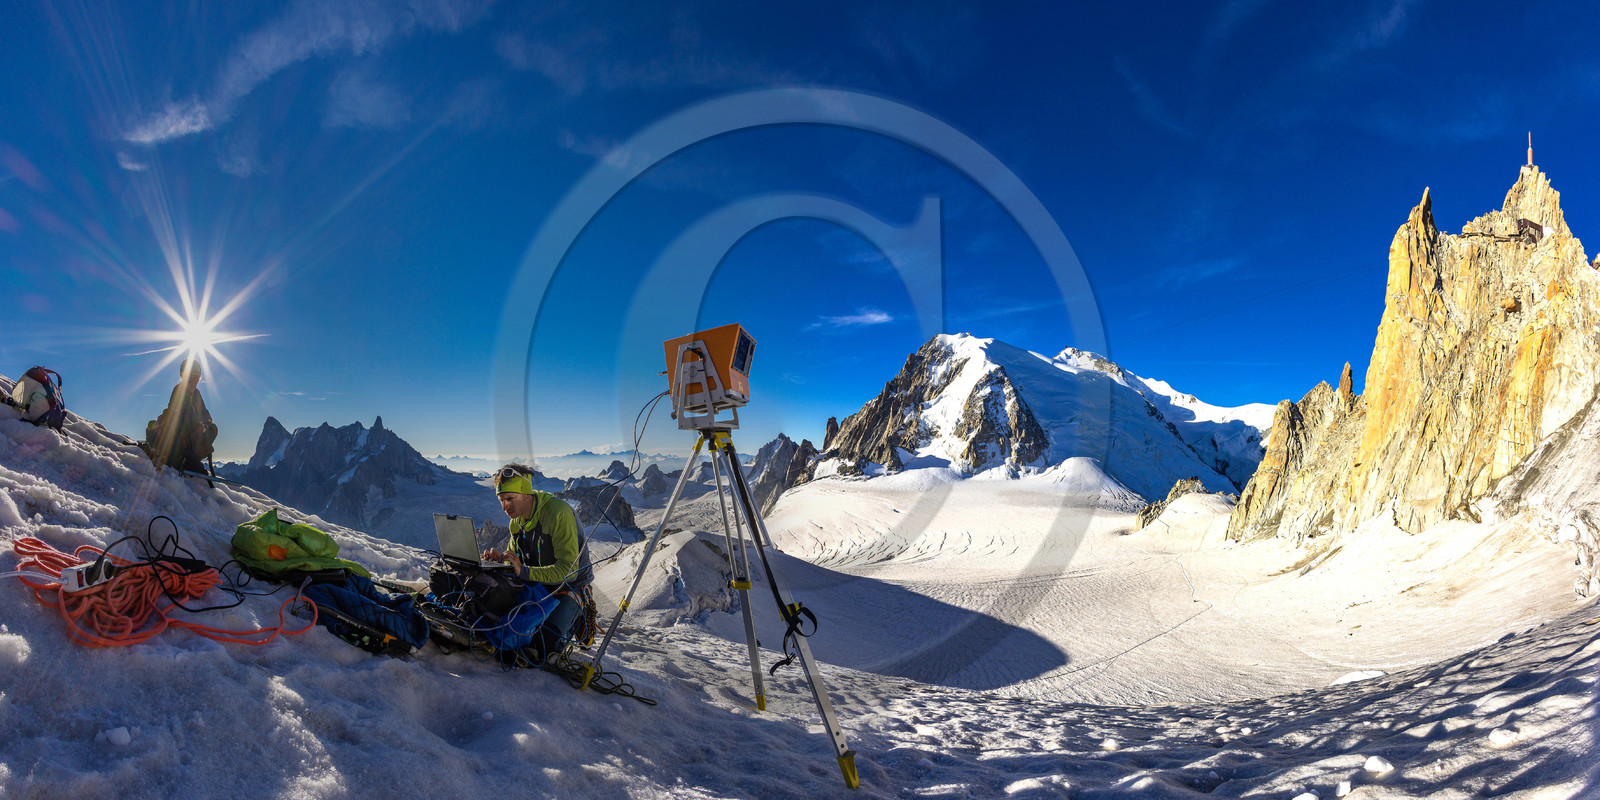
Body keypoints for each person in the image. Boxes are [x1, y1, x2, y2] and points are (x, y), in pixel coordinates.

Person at [483, 464, 593, 656]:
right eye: (501, 500)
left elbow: (569, 571)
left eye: (510, 499)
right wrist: (499, 561)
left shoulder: (558, 512)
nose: (504, 506)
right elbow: (514, 560)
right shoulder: (516, 522)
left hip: (570, 587)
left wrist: (524, 571)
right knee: (503, 628)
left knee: (540, 648)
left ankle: (580, 615)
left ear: (527, 494)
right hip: (537, 584)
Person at [143, 358, 218, 473]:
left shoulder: (197, 394)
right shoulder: (179, 390)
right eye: (190, 378)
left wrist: (204, 425)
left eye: (197, 378)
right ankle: (183, 458)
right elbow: (177, 413)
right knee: (182, 424)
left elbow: (206, 415)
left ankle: (191, 458)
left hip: (194, 437)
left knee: (213, 429)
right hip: (181, 434)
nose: (194, 381)